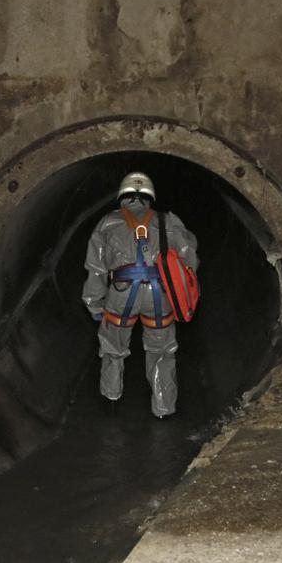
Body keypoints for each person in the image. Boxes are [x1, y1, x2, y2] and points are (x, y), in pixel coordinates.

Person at [82, 172, 199, 418]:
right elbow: (189, 259)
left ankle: (111, 400)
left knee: (113, 348)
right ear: (149, 197)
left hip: (121, 293)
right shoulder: (168, 221)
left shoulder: (107, 222)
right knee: (162, 351)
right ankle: (164, 409)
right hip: (160, 294)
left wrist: (94, 304)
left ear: (122, 196)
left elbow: (96, 268)